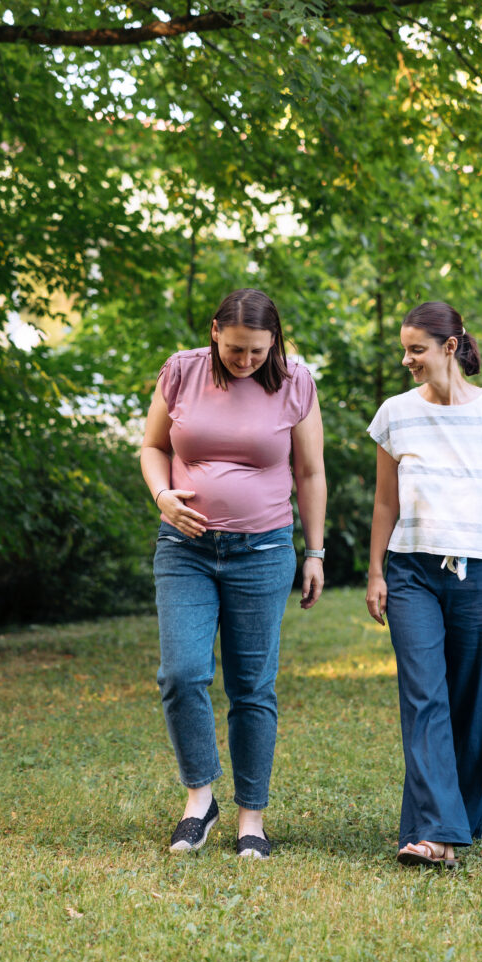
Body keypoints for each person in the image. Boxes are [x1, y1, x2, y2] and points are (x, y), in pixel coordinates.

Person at [141, 288, 326, 860]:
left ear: (273, 343)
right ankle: (201, 799)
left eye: (257, 351)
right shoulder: (182, 371)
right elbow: (151, 446)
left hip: (263, 550)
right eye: (236, 349)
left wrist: (314, 552)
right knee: (181, 673)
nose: (246, 361)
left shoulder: (294, 381)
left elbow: (311, 472)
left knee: (252, 686)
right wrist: (162, 495)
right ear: (215, 330)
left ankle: (252, 816)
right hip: (185, 548)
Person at [365, 301, 482, 868]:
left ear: (449, 348)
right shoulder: (395, 413)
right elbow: (385, 500)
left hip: (476, 570)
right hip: (411, 571)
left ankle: (465, 815)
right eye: (404, 348)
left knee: (475, 699)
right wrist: (375, 572)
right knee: (424, 695)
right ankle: (438, 832)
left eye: (416, 348)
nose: (406, 359)